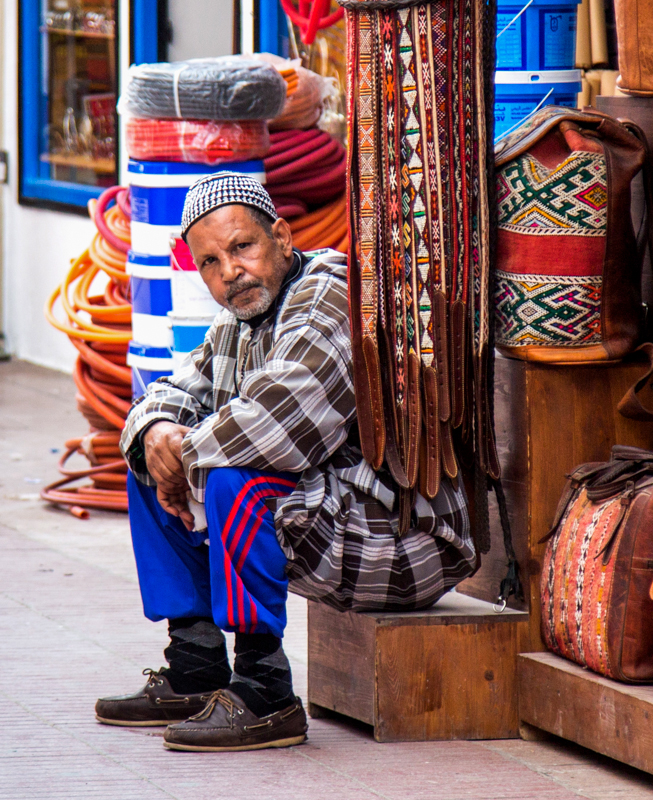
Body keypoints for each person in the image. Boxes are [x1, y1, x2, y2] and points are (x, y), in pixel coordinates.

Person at [96, 172, 477, 752]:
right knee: (148, 463)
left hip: (406, 539)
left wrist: (182, 454)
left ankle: (265, 690)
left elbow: (277, 427)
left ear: (282, 235)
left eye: (242, 247)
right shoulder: (242, 315)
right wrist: (156, 432)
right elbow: (174, 391)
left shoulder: (332, 296)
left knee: (235, 478)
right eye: (210, 262)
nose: (229, 271)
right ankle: (197, 668)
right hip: (335, 517)